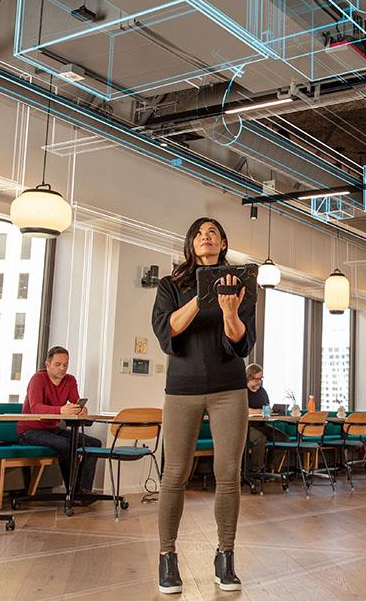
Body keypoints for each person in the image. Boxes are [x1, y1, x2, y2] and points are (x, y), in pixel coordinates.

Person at [152, 217, 256, 594]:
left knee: (228, 473)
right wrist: (204, 294)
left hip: (230, 387)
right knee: (174, 473)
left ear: (223, 242)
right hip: (182, 388)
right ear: (190, 244)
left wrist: (229, 311)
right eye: (198, 232)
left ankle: (225, 556)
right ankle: (167, 556)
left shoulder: (242, 285)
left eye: (213, 232)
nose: (206, 237)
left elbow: (243, 342)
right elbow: (169, 330)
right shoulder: (170, 285)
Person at [17, 346, 102, 495]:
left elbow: (76, 402)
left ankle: (83, 489)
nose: (62, 368)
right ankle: (72, 491)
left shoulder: (70, 380)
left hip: (52, 430)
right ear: (47, 364)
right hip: (29, 431)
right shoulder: (38, 379)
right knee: (65, 444)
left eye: (65, 365)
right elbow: (35, 407)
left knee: (95, 443)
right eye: (58, 364)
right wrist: (61, 410)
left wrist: (81, 409)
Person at [245, 363, 270, 474]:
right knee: (260, 439)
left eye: (261, 378)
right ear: (249, 377)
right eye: (256, 379)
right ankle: (255, 470)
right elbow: (243, 410)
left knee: (283, 439)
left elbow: (267, 408)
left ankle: (270, 469)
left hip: (262, 425)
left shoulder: (262, 391)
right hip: (246, 427)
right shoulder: (242, 392)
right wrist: (259, 411)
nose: (259, 381)